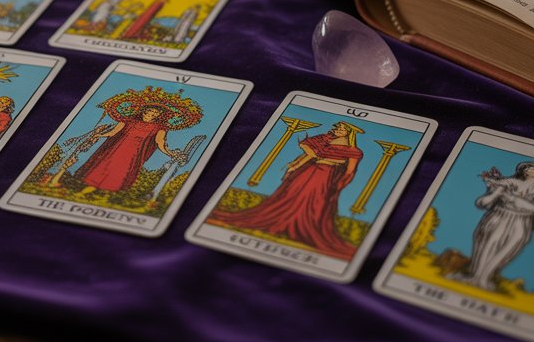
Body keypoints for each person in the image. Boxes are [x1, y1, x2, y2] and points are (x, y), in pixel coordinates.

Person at [209, 121, 363, 259]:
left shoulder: (354, 151)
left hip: (326, 176)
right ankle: (279, 220)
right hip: (308, 170)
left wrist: (339, 185)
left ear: (348, 133)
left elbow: (350, 172)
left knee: (316, 200)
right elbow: (310, 155)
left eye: (342, 129)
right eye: (338, 127)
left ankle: (305, 229)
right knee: (290, 195)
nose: (337, 129)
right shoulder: (325, 140)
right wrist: (295, 165)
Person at [454, 162, 534, 290]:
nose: (531, 169)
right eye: (528, 167)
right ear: (522, 170)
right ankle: (475, 276)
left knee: (508, 250)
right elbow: (487, 199)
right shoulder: (508, 181)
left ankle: (484, 278)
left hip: (522, 221)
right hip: (499, 216)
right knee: (488, 245)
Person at [73, 105, 177, 195]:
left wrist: (169, 153)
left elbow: (160, 142)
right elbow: (113, 133)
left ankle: (107, 190)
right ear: (144, 111)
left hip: (133, 153)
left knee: (121, 169)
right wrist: (99, 134)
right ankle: (91, 186)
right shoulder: (128, 120)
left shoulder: (159, 128)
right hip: (117, 148)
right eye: (150, 111)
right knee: (106, 164)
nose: (151, 114)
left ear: (159, 115)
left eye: (155, 113)